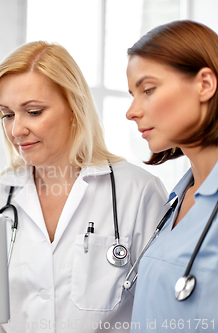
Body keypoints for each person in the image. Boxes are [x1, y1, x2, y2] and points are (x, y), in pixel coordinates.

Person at [0, 41, 167, 333]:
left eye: (33, 112)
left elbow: (159, 307)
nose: (16, 130)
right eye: (7, 114)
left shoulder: (138, 192)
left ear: (73, 108)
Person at [126, 20, 218, 331]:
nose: (132, 111)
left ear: (204, 84)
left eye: (148, 90)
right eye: (132, 94)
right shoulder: (175, 202)